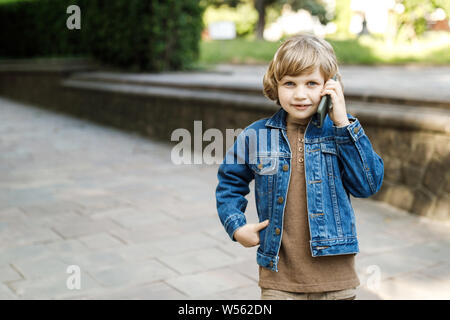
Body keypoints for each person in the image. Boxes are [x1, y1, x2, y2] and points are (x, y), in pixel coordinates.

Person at [215, 34, 384, 300]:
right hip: (279, 278)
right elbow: (229, 183)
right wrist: (236, 226)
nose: (300, 94)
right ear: (276, 85)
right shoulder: (256, 135)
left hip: (336, 278)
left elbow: (368, 185)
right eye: (290, 83)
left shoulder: (342, 132)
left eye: (312, 83)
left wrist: (343, 124)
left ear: (331, 86)